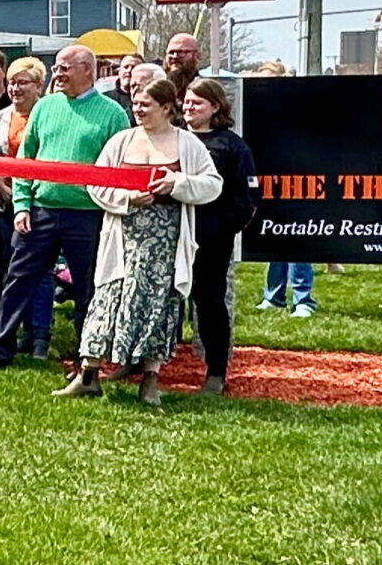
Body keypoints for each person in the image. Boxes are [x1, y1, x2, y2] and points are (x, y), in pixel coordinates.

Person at [55, 77, 223, 405]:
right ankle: (88, 376)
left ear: (166, 108)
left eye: (145, 105)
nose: (138, 110)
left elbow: (212, 184)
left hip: (165, 243)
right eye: (135, 104)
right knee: (106, 301)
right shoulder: (122, 141)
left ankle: (149, 380)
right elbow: (97, 184)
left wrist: (178, 183)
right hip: (122, 239)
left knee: (157, 305)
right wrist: (127, 198)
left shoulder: (188, 145)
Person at [0, 45, 126, 371]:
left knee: (88, 287)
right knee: (17, 280)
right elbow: (26, 160)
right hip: (40, 210)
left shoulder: (113, 115)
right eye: (56, 68)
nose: (57, 74)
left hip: (88, 216)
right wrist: (22, 206)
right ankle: (0, 349)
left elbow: (120, 169)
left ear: (87, 70)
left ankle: (88, 356)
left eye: (64, 68)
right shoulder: (44, 108)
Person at [183, 77, 257, 395]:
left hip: (210, 239)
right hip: (171, 234)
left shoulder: (232, 146)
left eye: (197, 103)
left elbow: (247, 199)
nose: (189, 108)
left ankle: (216, 371)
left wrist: (222, 228)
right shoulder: (171, 139)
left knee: (209, 302)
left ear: (215, 107)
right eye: (186, 102)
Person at [0, 56, 47, 338]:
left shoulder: (48, 115)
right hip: (2, 202)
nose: (15, 89)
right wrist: (5, 190)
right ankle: (5, 326)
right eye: (11, 83)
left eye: (22, 83)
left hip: (40, 203)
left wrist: (27, 195)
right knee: (5, 266)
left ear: (38, 86)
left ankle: (37, 333)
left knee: (36, 271)